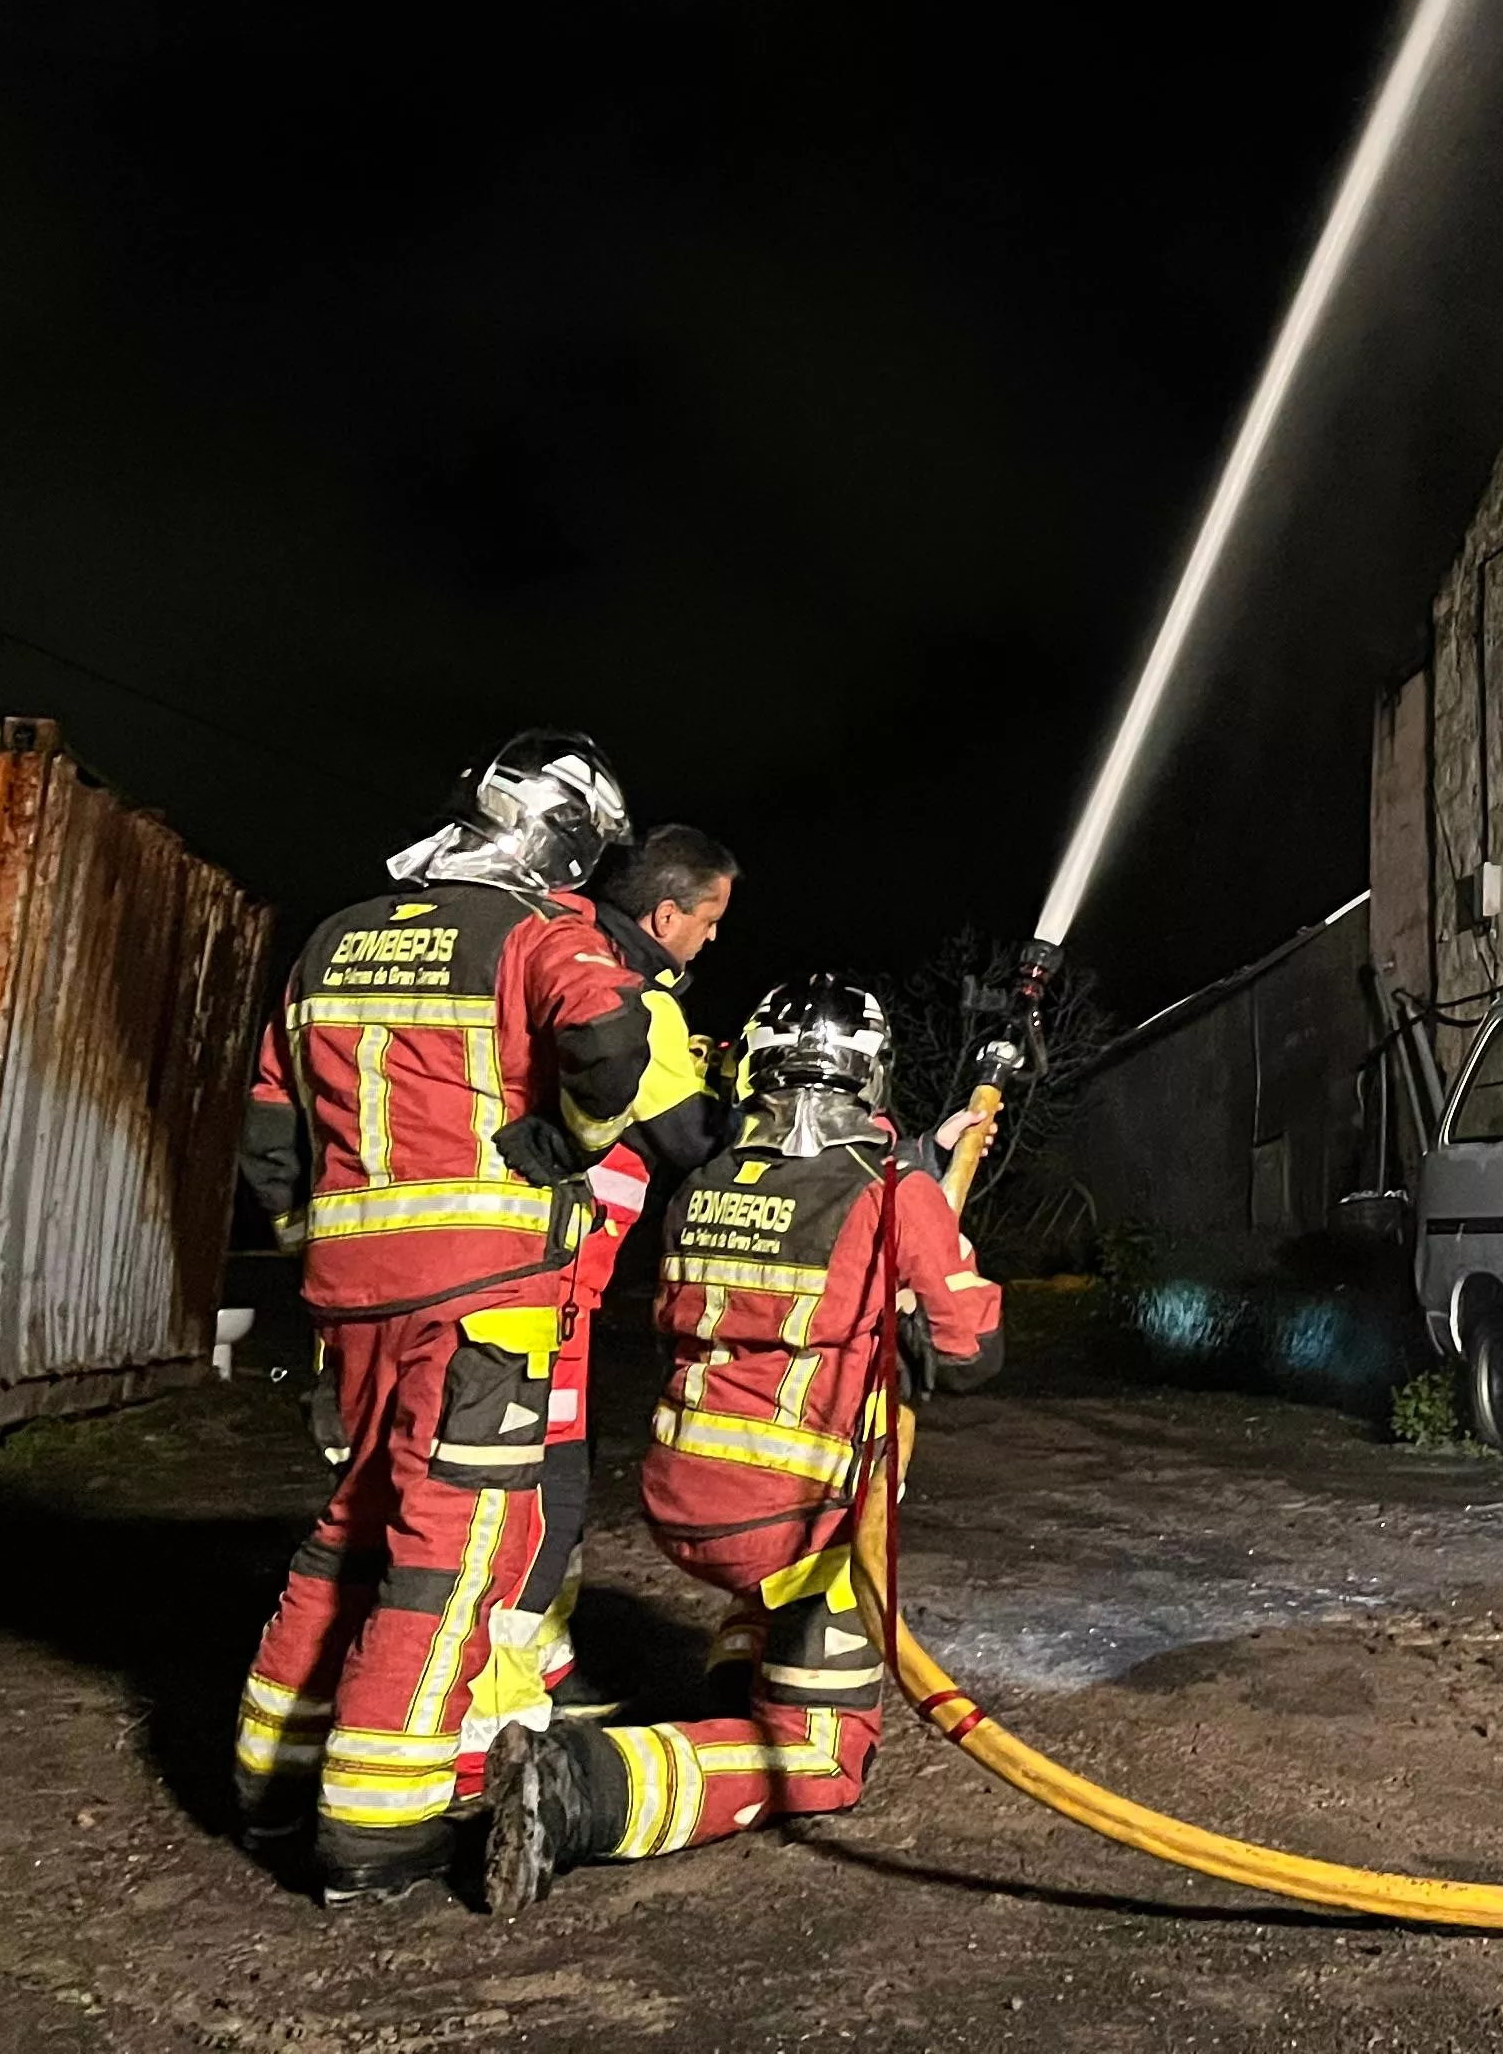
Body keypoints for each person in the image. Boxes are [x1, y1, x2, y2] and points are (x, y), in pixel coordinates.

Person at [231, 731, 660, 1900]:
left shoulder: (333, 938)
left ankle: (270, 1789)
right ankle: (377, 1830)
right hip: (481, 1298)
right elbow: (611, 1038)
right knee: (451, 1556)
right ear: (559, 837)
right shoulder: (536, 931)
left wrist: (307, 1244)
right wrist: (566, 1144)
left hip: (348, 1300)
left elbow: (272, 1128)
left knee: (347, 1529)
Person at [485, 975, 1001, 1910]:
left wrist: (931, 1161)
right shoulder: (893, 1196)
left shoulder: (709, 1182)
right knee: (822, 1760)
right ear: (870, 1076)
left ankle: (737, 1691)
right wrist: (926, 1265)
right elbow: (970, 1356)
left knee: (781, 1592)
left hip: (682, 1502)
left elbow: (810, 1214)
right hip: (788, 1517)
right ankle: (578, 1791)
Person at [516, 825, 743, 1711]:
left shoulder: (555, 958)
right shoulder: (637, 1003)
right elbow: (692, 1141)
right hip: (550, 1280)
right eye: (710, 919)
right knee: (547, 1482)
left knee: (526, 1476)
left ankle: (539, 1660)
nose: (713, 938)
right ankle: (518, 1683)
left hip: (528, 1270)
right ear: (664, 913)